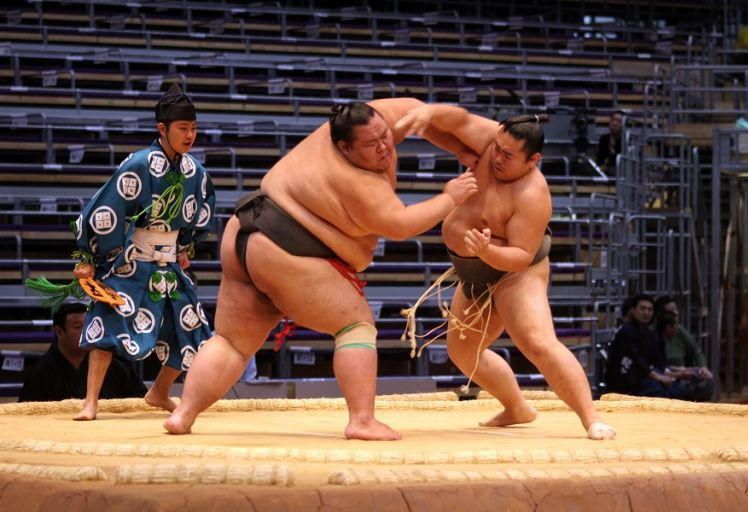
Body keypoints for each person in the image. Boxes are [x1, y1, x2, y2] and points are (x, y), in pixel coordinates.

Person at [164, 99, 479, 439]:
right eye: (371, 145)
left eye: (385, 136)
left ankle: (184, 414)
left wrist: (461, 149)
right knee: (356, 324)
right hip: (288, 250)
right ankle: (361, 420)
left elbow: (420, 112)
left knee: (233, 342)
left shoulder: (366, 120)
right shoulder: (360, 184)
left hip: (245, 232)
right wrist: (451, 197)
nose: (384, 147)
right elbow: (400, 225)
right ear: (343, 147)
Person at [395, 105, 615, 440]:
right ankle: (516, 408)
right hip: (474, 273)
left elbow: (520, 255)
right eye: (496, 148)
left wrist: (487, 250)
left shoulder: (532, 194)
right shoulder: (492, 141)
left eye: (508, 155)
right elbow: (460, 120)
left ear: (533, 160)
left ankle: (591, 418)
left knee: (538, 341)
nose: (496, 157)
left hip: (517, 274)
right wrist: (428, 115)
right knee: (463, 353)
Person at [71, 83, 216, 420]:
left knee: (193, 330)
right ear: (162, 129)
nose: (190, 135)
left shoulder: (197, 172)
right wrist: (88, 257)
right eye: (183, 128)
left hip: (168, 264)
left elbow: (201, 213)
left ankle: (159, 392)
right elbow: (105, 208)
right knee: (106, 322)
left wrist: (184, 246)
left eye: (194, 128)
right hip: (133, 262)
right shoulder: (137, 163)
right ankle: (90, 401)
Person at [18, 303, 147, 402]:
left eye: (90, 325)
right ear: (59, 332)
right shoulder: (41, 372)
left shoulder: (114, 366)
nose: (87, 332)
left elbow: (140, 400)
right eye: (78, 327)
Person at [607, 294, 684, 399]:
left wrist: (668, 374)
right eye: (642, 309)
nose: (646, 313)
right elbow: (636, 360)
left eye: (649, 310)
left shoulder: (649, 334)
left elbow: (656, 361)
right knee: (657, 388)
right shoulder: (626, 331)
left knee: (676, 389)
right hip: (627, 380)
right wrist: (658, 376)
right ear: (633, 310)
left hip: (644, 377)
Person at [655, 310, 714, 402]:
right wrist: (680, 374)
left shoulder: (674, 335)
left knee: (706, 376)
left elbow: (695, 350)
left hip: (674, 372)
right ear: (668, 327)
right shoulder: (655, 341)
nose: (678, 327)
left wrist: (684, 369)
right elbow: (656, 369)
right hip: (665, 378)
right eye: (676, 324)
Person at [596, 111, 623, 175]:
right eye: (613, 120)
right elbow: (599, 159)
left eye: (619, 121)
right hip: (604, 173)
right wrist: (601, 166)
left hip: (620, 173)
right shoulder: (604, 139)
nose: (615, 123)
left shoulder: (626, 140)